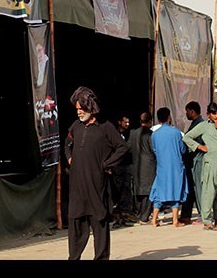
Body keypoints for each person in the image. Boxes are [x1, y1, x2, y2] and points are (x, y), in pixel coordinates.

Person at [64, 86, 129, 260]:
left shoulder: (105, 127)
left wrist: (106, 164)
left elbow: (122, 148)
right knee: (76, 223)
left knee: (100, 223)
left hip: (97, 185)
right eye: (77, 109)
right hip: (77, 187)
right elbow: (67, 144)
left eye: (81, 108)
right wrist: (69, 158)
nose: (78, 112)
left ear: (90, 107)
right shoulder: (76, 126)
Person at [183, 102, 217, 230]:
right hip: (210, 164)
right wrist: (199, 147)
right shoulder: (203, 126)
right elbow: (187, 138)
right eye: (214, 113)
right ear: (208, 114)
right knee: (209, 193)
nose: (216, 116)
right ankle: (207, 221)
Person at [148, 107, 188, 228]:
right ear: (169, 117)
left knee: (159, 190)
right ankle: (175, 220)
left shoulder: (154, 135)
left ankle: (154, 219)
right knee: (176, 190)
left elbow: (154, 150)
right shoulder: (176, 133)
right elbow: (183, 149)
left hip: (162, 166)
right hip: (176, 166)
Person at [128, 112, 157, 225]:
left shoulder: (133, 133)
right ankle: (144, 217)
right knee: (149, 192)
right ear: (150, 121)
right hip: (149, 166)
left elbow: (128, 148)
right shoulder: (150, 134)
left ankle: (139, 214)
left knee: (138, 191)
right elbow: (154, 150)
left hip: (136, 165)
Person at [179, 101, 204, 224]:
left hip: (197, 160)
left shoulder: (200, 124)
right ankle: (186, 215)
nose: (186, 114)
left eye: (187, 111)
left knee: (198, 189)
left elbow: (197, 142)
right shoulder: (195, 123)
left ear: (192, 111)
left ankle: (202, 215)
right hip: (191, 161)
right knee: (190, 188)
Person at [111, 114, 135, 227]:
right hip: (117, 166)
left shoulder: (129, 134)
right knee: (117, 190)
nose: (127, 124)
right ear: (119, 122)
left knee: (127, 189)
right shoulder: (114, 134)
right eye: (125, 122)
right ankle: (117, 215)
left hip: (127, 165)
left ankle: (126, 214)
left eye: (128, 122)